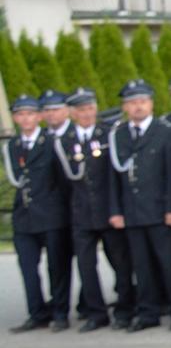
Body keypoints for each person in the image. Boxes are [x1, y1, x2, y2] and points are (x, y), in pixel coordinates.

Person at [109, 79, 171, 332]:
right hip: (132, 212)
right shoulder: (119, 135)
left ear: (151, 104)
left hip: (160, 211)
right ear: (125, 107)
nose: (138, 106)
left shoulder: (165, 132)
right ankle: (148, 313)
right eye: (132, 102)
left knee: (170, 264)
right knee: (142, 267)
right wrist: (116, 210)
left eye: (143, 101)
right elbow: (113, 178)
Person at [61, 88, 135, 331]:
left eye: (90, 108)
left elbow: (116, 177)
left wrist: (117, 210)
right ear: (72, 113)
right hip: (81, 213)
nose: (86, 113)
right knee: (86, 266)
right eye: (81, 110)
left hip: (108, 211)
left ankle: (125, 310)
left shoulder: (108, 135)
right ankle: (96, 313)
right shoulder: (64, 141)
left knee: (120, 263)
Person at [9, 95, 71, 332]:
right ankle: (36, 313)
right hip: (24, 217)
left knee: (57, 266)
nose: (26, 119)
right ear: (15, 118)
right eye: (21, 114)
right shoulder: (12, 146)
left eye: (30, 114)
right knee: (28, 268)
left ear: (39, 117)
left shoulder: (51, 142)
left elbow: (63, 180)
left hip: (50, 214)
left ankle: (60, 312)